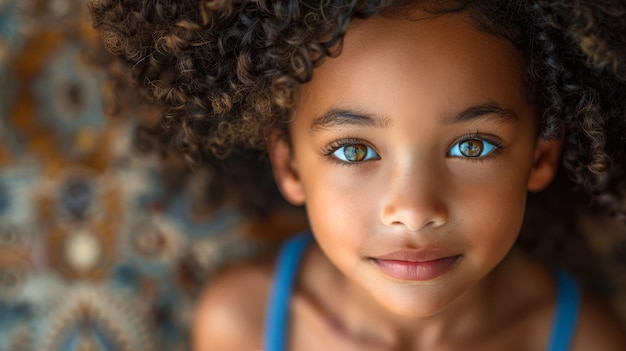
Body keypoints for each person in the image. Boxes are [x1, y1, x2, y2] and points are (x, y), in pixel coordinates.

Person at [87, 0, 626, 349]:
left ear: (540, 156)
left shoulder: (588, 341)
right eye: (353, 151)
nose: (414, 209)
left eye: (472, 145)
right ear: (290, 165)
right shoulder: (242, 326)